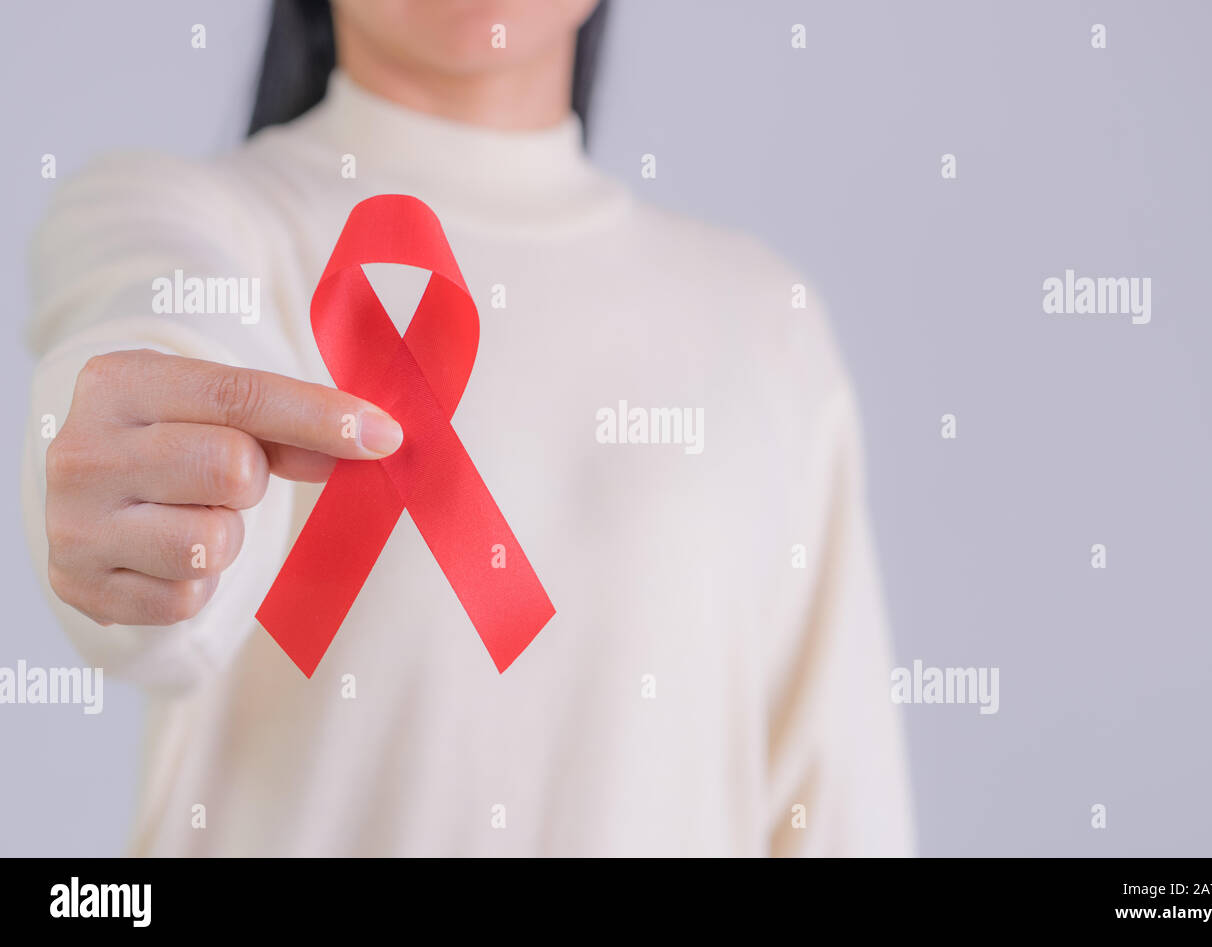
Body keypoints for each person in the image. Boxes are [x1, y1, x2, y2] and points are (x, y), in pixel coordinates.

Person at [22, 0, 914, 856]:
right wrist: (140, 510)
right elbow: (153, 348)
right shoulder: (181, 221)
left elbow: (838, 812)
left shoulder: (765, 320)